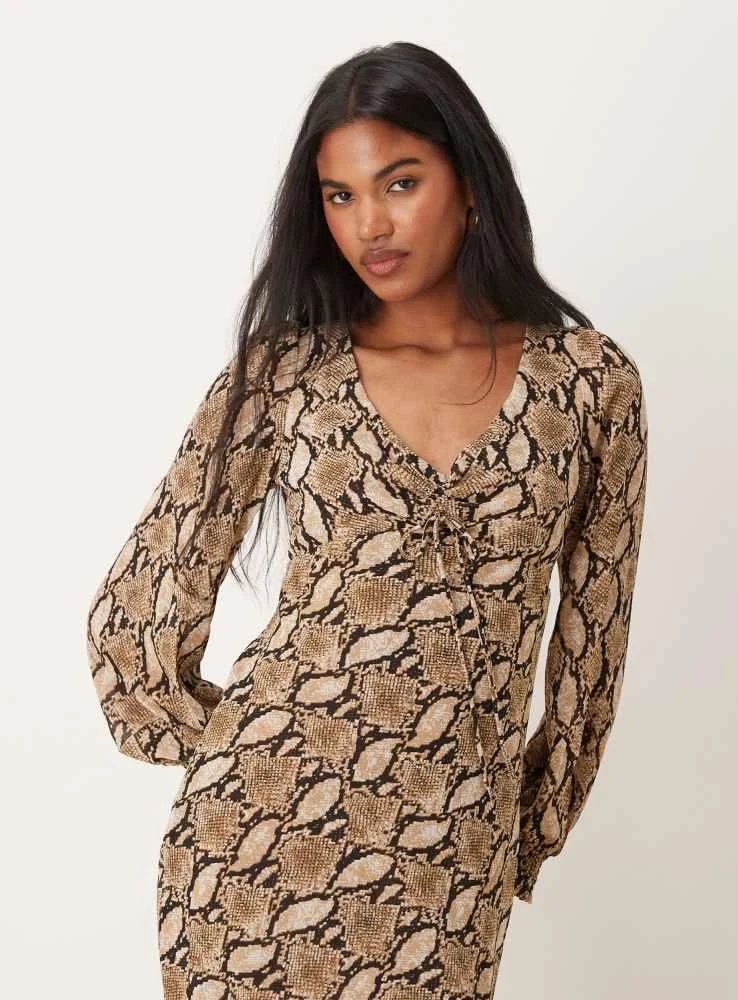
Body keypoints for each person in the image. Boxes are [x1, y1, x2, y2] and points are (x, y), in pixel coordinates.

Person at [86, 40, 648, 1000]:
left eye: (400, 183)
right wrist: (245, 748)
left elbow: (594, 648)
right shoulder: (284, 375)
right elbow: (137, 607)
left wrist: (520, 822)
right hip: (257, 851)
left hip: (451, 865)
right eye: (340, 196)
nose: (369, 224)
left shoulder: (591, 385)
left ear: (470, 184)